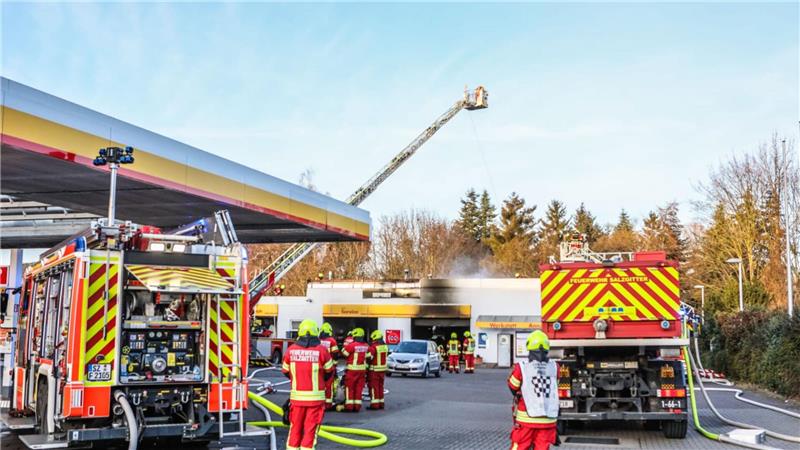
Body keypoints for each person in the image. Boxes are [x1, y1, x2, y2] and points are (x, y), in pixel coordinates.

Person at [281, 319, 334, 450]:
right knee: (310, 430)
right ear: (316, 332)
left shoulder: (291, 350)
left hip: (297, 399)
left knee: (295, 429)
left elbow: (285, 371)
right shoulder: (322, 351)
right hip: (315, 400)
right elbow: (329, 372)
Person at [507, 330, 559, 450]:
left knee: (520, 446)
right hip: (548, 420)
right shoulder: (555, 367)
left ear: (529, 347)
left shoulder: (522, 367)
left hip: (526, 420)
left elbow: (513, 387)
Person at [339, 327, 369, 412]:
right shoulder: (366, 346)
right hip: (362, 371)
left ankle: (349, 406)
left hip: (352, 370)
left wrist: (344, 347)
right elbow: (369, 355)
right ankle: (357, 406)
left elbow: (344, 354)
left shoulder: (352, 345)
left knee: (350, 388)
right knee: (359, 389)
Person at [319, 322, 340, 411]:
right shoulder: (332, 341)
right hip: (329, 367)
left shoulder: (317, 340)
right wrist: (334, 365)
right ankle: (328, 404)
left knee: (319, 385)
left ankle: (319, 403)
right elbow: (335, 354)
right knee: (329, 386)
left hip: (319, 367)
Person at [366, 330, 388, 410]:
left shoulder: (373, 347)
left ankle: (374, 405)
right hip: (382, 370)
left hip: (374, 370)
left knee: (373, 387)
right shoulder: (385, 346)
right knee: (380, 387)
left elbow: (369, 357)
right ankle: (381, 403)